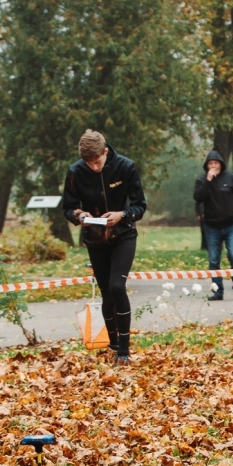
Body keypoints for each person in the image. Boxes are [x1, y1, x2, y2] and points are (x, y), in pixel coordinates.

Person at [61, 129, 147, 364]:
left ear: (105, 151)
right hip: (95, 238)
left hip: (124, 235)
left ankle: (124, 350)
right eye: (89, 163)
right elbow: (68, 207)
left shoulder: (125, 167)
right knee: (107, 293)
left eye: (97, 161)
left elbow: (140, 205)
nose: (94, 167)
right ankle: (113, 343)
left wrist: (123, 214)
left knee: (117, 286)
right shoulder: (75, 172)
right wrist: (79, 215)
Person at [193, 150, 233, 300]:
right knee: (213, 260)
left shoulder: (231, 178)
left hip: (231, 225)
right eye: (210, 164)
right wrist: (208, 180)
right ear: (207, 166)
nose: (213, 166)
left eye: (216, 163)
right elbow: (198, 197)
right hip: (212, 226)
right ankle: (217, 291)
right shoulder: (201, 180)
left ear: (221, 164)